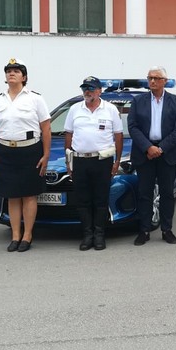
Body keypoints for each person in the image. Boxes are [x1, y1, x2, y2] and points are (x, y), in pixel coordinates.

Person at [0, 58, 51, 252]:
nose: (11, 73)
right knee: (12, 196)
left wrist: (46, 154)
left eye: (16, 71)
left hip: (29, 150)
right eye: (8, 71)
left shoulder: (35, 98)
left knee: (29, 195)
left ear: (24, 76)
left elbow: (46, 127)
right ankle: (15, 236)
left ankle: (27, 235)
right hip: (5, 151)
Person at [127, 66, 176, 246]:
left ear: (164, 81)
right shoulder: (139, 101)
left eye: (156, 78)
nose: (152, 81)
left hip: (167, 153)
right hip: (145, 154)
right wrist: (148, 147)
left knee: (167, 193)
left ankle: (166, 229)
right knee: (145, 193)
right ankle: (144, 230)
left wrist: (161, 148)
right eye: (150, 78)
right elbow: (133, 126)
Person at [64, 76, 123, 251]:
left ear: (99, 91)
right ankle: (87, 235)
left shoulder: (110, 110)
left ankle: (99, 235)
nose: (87, 92)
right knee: (83, 200)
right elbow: (68, 135)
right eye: (84, 89)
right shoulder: (75, 109)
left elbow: (118, 136)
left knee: (100, 200)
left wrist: (116, 161)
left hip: (102, 160)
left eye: (90, 88)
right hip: (80, 160)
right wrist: (69, 161)